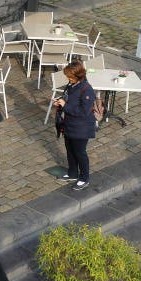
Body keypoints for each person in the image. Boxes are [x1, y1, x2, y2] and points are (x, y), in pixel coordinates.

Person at [54, 60, 96, 191]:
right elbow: (67, 98)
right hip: (69, 125)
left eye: (70, 77)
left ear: (78, 76)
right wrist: (60, 102)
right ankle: (72, 173)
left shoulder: (87, 90)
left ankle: (84, 178)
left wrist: (65, 105)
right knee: (70, 150)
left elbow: (84, 112)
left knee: (80, 153)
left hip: (81, 128)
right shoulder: (71, 85)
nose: (68, 79)